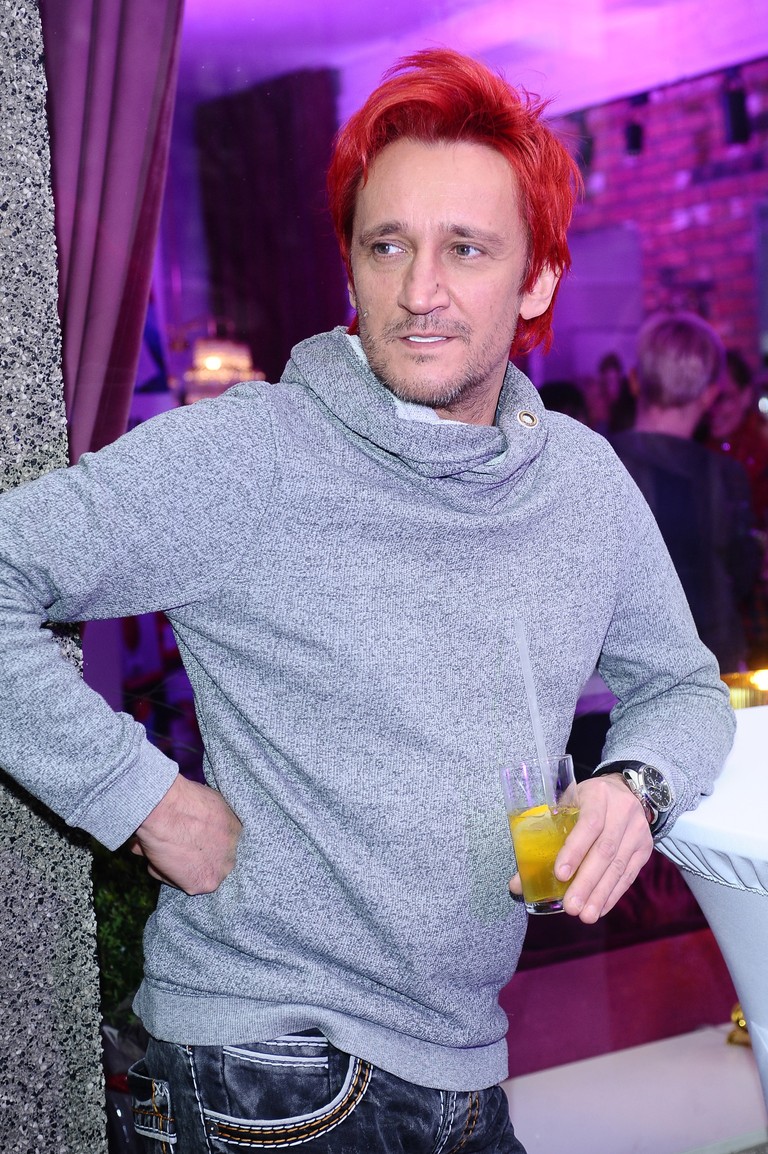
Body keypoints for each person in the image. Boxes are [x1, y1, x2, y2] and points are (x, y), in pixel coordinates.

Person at [0, 49, 734, 1153]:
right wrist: (139, 795)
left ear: (538, 280)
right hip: (267, 1072)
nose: (419, 290)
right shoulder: (256, 452)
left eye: (466, 249)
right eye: (387, 245)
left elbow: (682, 686)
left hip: (465, 1064)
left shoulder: (581, 482)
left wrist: (636, 787)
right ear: (351, 263)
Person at [611, 312, 761, 674]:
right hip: (713, 664)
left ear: (636, 379)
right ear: (709, 394)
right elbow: (741, 574)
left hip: (626, 674)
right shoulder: (724, 477)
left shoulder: (597, 462)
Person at [705, 347, 768, 666]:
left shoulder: (763, 449)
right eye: (710, 397)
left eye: (725, 398)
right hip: (719, 606)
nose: (714, 409)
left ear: (745, 397)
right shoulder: (700, 451)